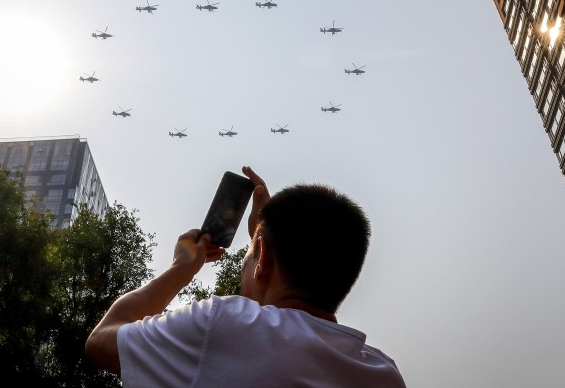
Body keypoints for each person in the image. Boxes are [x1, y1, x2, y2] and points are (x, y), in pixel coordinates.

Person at [85, 166, 406, 387]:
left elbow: (101, 341)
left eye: (250, 253)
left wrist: (180, 269)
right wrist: (263, 243)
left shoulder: (222, 325)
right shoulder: (382, 374)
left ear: (263, 258)